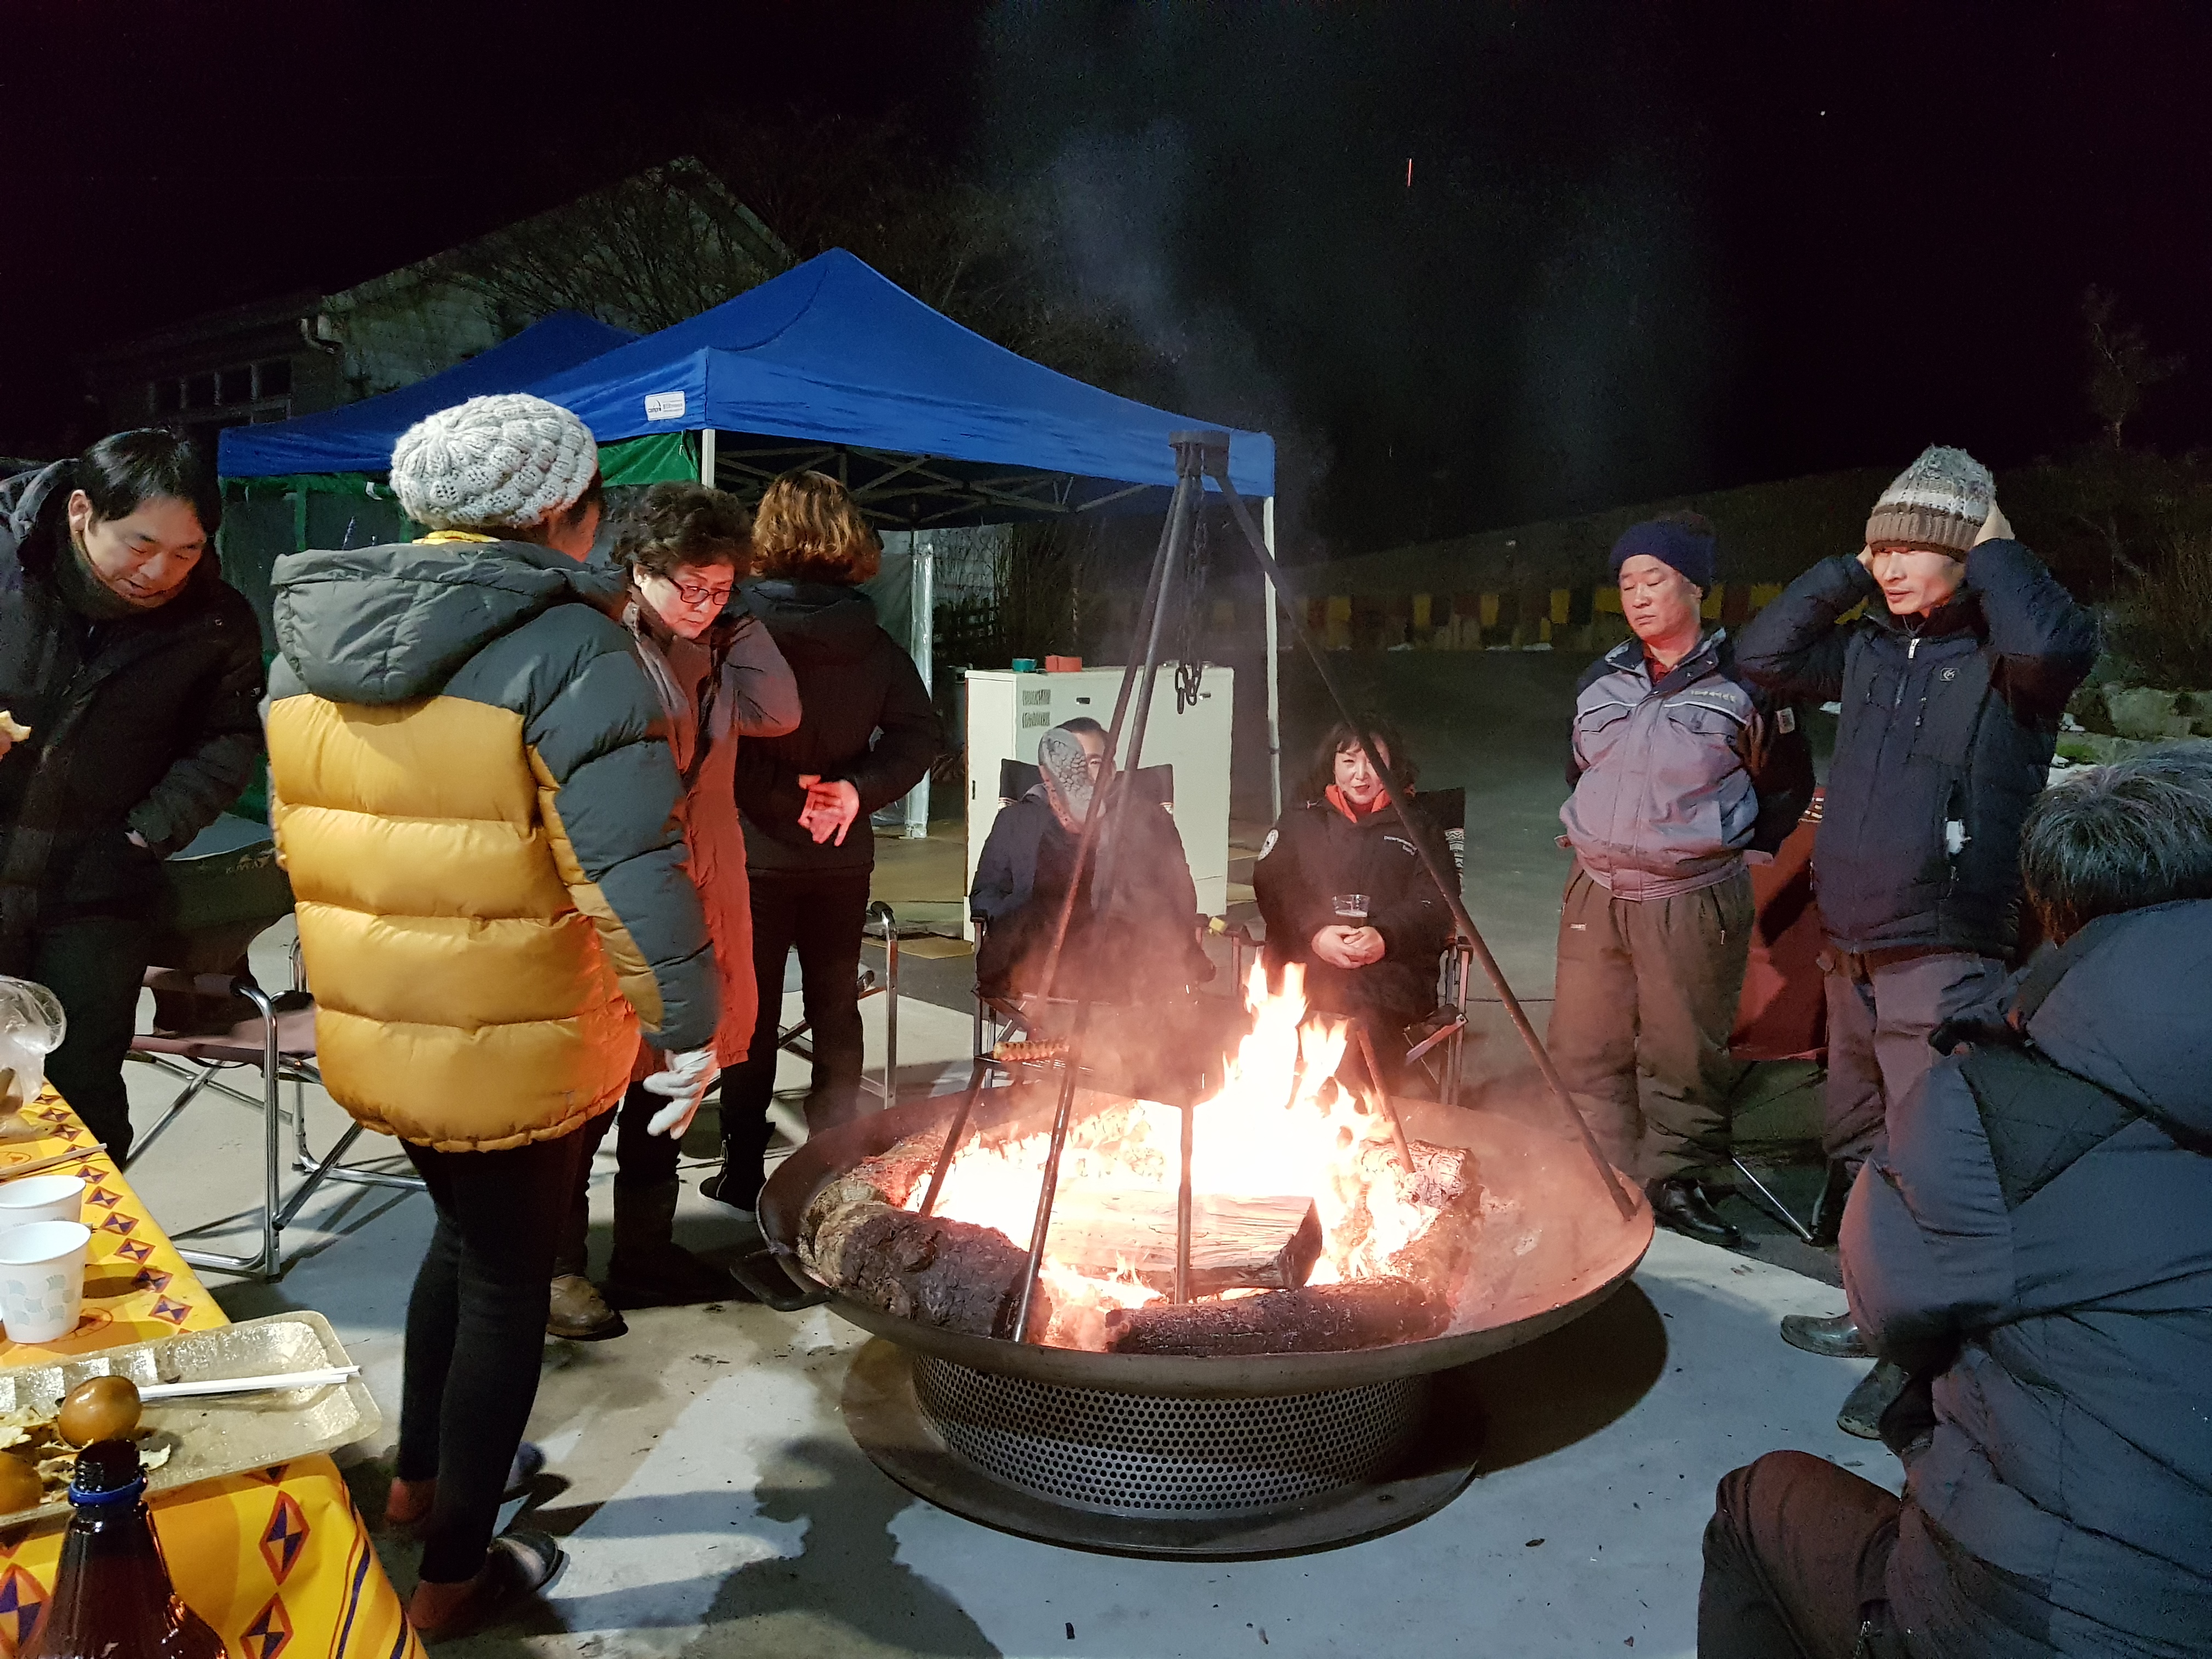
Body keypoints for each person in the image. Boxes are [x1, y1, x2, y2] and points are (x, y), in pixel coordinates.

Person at [264, 395, 720, 1638]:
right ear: (564, 513)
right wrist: (692, 1025)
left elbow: (305, 841)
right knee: (511, 1283)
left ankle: (421, 1483)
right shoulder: (571, 647)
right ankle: (457, 1573)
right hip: (521, 1030)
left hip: (382, 1016)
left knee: (459, 1240)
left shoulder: (307, 639)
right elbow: (629, 868)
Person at [1699, 748, 2212, 1659]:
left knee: (1756, 1504)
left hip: (2057, 1616)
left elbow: (1885, 1298)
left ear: (2059, 912)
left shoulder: (2001, 1102)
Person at [1737, 448, 2097, 1376]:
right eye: (1880, 548)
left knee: (1935, 1154)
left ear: (1965, 551)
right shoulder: (1871, 647)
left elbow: (2057, 647)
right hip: (1851, 945)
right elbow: (1762, 655)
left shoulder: (2007, 658)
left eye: (1910, 547)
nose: (1889, 566)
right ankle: (1876, 1316)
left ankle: (1928, 1360)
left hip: (1942, 947)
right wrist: (1849, 571)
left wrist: (1995, 548)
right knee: (1861, 1138)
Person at [547, 483, 800, 1340]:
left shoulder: (714, 647)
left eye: (721, 588)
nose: (704, 603)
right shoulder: (603, 647)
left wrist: (736, 625)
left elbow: (779, 710)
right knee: (594, 1085)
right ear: (640, 569)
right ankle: (556, 1266)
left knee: (671, 1075)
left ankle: (645, 1251)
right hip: (622, 887)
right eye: (689, 585)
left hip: (703, 881)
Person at [1547, 514, 1815, 1245]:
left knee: (1683, 1052)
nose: (1638, 596)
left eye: (1655, 579)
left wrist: (1734, 850)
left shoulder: (1748, 683)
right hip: (1596, 890)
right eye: (1627, 583)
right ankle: (1597, 1172)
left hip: (1689, 897)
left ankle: (1676, 1181)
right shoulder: (1602, 680)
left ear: (1696, 587)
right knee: (1585, 1041)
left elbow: (1786, 784)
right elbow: (1580, 767)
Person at [0, 430, 263, 1162]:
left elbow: (227, 740)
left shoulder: (216, 621)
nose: (159, 572)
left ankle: (84, 1229)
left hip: (98, 892)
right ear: (82, 511)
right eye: (141, 544)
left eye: (187, 551)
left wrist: (144, 834)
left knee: (83, 1089)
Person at [704, 470, 938, 1209]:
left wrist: (786, 799)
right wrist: (853, 791)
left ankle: (744, 1172)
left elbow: (712, 742)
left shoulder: (736, 633)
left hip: (755, 853)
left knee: (750, 1015)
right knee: (837, 1007)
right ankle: (834, 1164)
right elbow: (921, 734)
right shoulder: (873, 639)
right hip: (841, 855)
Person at [1251, 718, 1456, 1090]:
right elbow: (1273, 886)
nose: (1361, 775)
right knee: (1255, 1022)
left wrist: (1386, 936)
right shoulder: (1301, 820)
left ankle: (1360, 1117)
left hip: (1388, 979)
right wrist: (1315, 932)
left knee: (1360, 1030)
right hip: (1304, 970)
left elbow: (1438, 901)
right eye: (1349, 761)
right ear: (1332, 765)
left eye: (1374, 761)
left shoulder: (1420, 827)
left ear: (1393, 765)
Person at [970, 717, 1214, 1003]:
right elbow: (985, 894)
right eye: (1072, 765)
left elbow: (1181, 896)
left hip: (1125, 962)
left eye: (1094, 762)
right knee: (1036, 915)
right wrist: (1018, 908)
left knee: (1127, 908)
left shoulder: (1149, 820)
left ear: (1111, 770)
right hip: (1039, 958)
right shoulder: (1018, 820)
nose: (1084, 772)